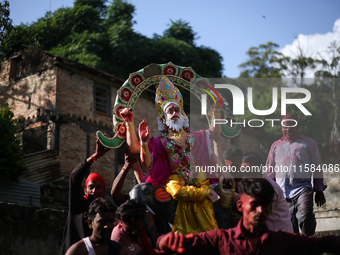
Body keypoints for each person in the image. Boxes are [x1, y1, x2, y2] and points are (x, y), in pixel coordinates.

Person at [120, 77, 222, 234]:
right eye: (170, 111)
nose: (174, 113)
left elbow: (214, 133)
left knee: (209, 216)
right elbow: (142, 158)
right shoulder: (161, 141)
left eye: (177, 110)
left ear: (182, 114)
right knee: (175, 192)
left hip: (198, 177)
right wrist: (135, 131)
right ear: (164, 117)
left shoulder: (194, 136)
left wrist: (216, 108)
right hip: (176, 179)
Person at [156, 178, 340, 255]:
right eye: (254, 205)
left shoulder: (282, 241)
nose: (259, 211)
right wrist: (166, 241)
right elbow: (186, 242)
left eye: (265, 206)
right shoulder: (221, 240)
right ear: (239, 206)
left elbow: (322, 244)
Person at [266, 114, 326, 236]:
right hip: (282, 192)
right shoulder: (276, 145)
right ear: (281, 128)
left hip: (303, 189)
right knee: (289, 224)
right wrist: (268, 190)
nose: (288, 130)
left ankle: (308, 241)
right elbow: (269, 170)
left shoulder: (308, 143)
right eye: (285, 127)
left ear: (297, 126)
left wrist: (319, 189)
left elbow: (317, 167)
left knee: (305, 215)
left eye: (291, 126)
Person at [61, 138, 111, 254]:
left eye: (98, 187)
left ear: (104, 190)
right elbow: (74, 177)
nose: (94, 191)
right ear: (85, 190)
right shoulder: (78, 206)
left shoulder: (107, 211)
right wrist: (95, 156)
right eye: (91, 187)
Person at [241, 151, 293, 232]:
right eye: (244, 169)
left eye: (249, 169)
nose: (245, 172)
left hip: (279, 236)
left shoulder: (269, 187)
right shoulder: (251, 184)